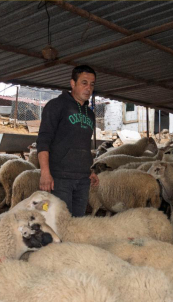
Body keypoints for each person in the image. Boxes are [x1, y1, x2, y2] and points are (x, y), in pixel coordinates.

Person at [36, 65, 99, 217]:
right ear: (73, 83)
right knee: (59, 221)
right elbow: (43, 140)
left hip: (83, 180)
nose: (88, 88)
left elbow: (81, 144)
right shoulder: (56, 106)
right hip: (60, 179)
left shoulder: (90, 114)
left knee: (77, 224)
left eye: (92, 84)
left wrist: (88, 170)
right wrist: (45, 173)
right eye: (84, 83)